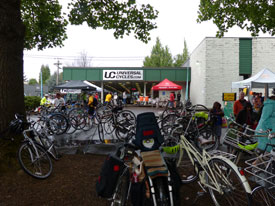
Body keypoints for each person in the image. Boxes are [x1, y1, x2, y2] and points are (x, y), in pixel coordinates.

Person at [255, 88, 275, 152]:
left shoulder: (269, 105)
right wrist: (272, 130)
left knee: (265, 155)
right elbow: (266, 119)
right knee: (268, 153)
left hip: (264, 130)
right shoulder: (271, 105)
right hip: (266, 131)